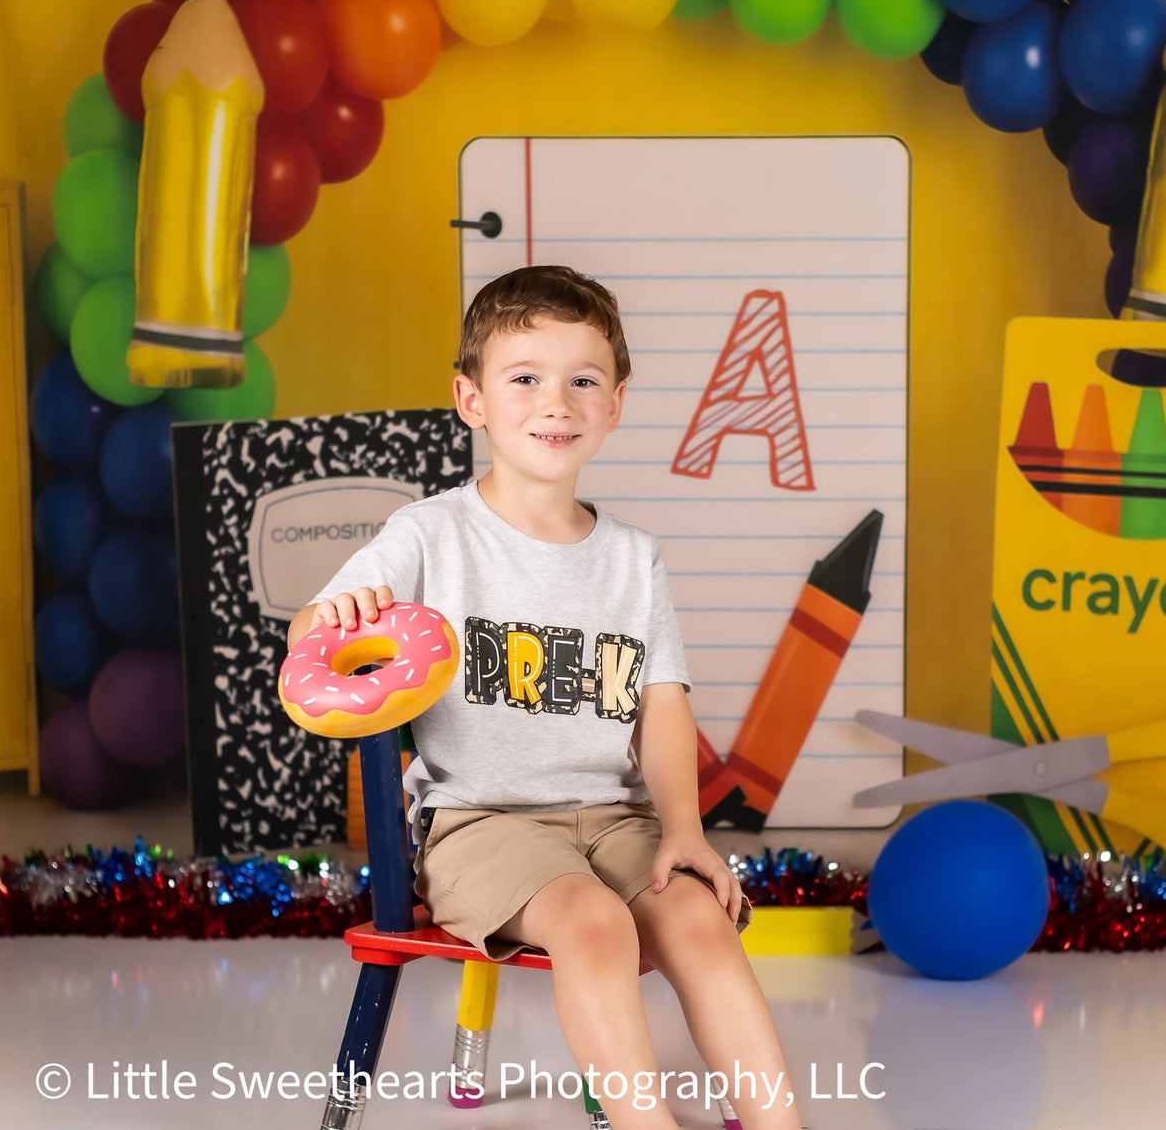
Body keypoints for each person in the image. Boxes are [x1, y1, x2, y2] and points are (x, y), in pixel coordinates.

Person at [287, 265, 806, 1130]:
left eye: (582, 380)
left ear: (615, 403)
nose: (554, 402)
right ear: (472, 398)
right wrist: (329, 614)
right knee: (595, 923)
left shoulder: (633, 557)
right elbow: (317, 635)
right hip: (480, 825)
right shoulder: (430, 534)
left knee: (701, 921)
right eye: (524, 378)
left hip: (614, 815)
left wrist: (683, 833)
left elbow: (663, 707)